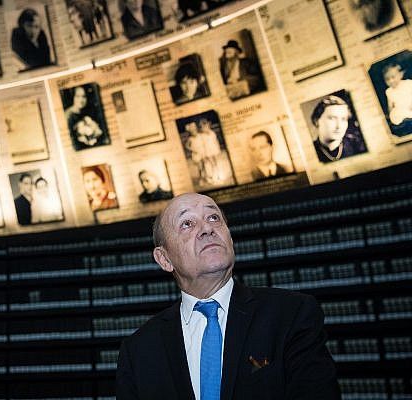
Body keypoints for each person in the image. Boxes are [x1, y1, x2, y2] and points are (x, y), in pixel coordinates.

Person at [116, 192, 341, 399]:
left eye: (214, 218)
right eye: (187, 223)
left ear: (230, 238)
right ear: (164, 259)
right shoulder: (138, 350)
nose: (206, 229)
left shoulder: (292, 314)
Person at [310, 94, 367, 163]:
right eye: (332, 118)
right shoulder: (311, 151)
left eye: (343, 119)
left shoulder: (358, 145)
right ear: (317, 121)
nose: (339, 126)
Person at [184, 119, 221, 183]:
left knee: (205, 165)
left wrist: (206, 152)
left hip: (203, 153)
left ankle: (209, 177)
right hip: (196, 154)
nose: (194, 132)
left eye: (194, 130)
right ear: (190, 132)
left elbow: (205, 141)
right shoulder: (190, 138)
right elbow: (186, 146)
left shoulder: (200, 135)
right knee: (200, 167)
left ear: (196, 130)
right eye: (192, 131)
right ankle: (202, 179)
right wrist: (193, 150)